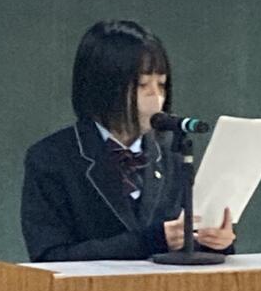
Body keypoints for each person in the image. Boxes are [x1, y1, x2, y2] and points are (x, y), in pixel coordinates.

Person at [21, 19, 235, 262]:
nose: (157, 98)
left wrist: (216, 242)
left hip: (167, 287)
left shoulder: (172, 156)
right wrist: (150, 241)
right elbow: (49, 256)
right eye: (142, 85)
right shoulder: (52, 158)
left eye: (162, 85)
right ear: (104, 86)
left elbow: (187, 242)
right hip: (89, 287)